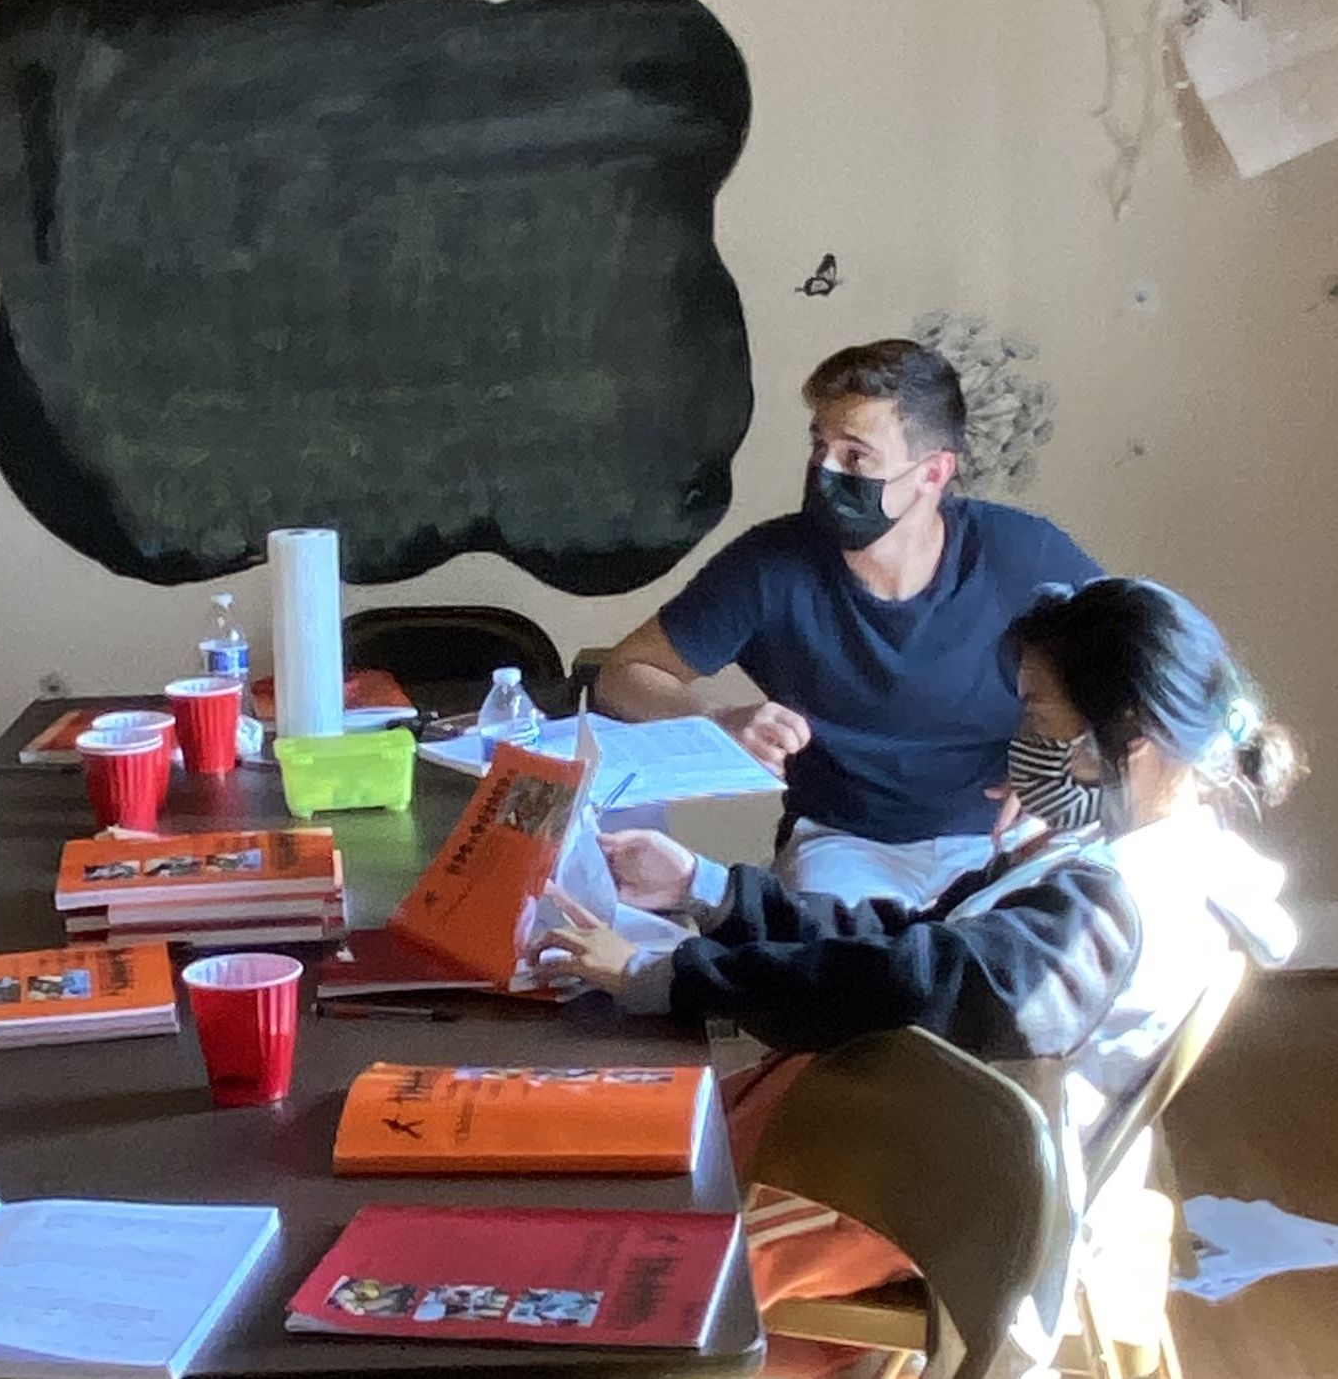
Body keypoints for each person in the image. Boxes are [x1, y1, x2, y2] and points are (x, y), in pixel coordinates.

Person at [534, 577, 1301, 1363]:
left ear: (1125, 733)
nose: (1023, 736)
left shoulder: (1111, 906)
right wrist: (709, 887)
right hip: (896, 1136)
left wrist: (674, 974)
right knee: (623, 1164)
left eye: (1039, 715)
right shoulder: (1129, 862)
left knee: (626, 1255)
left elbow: (915, 981)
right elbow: (914, 939)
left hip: (912, 1188)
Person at [596, 340, 1102, 906]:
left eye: (856, 457)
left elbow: (1146, 668)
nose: (826, 470)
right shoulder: (769, 565)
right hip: (840, 844)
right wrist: (716, 721)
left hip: (997, 842)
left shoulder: (1022, 554)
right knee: (843, 979)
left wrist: (1069, 764)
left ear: (933, 472)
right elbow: (623, 673)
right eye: (819, 446)